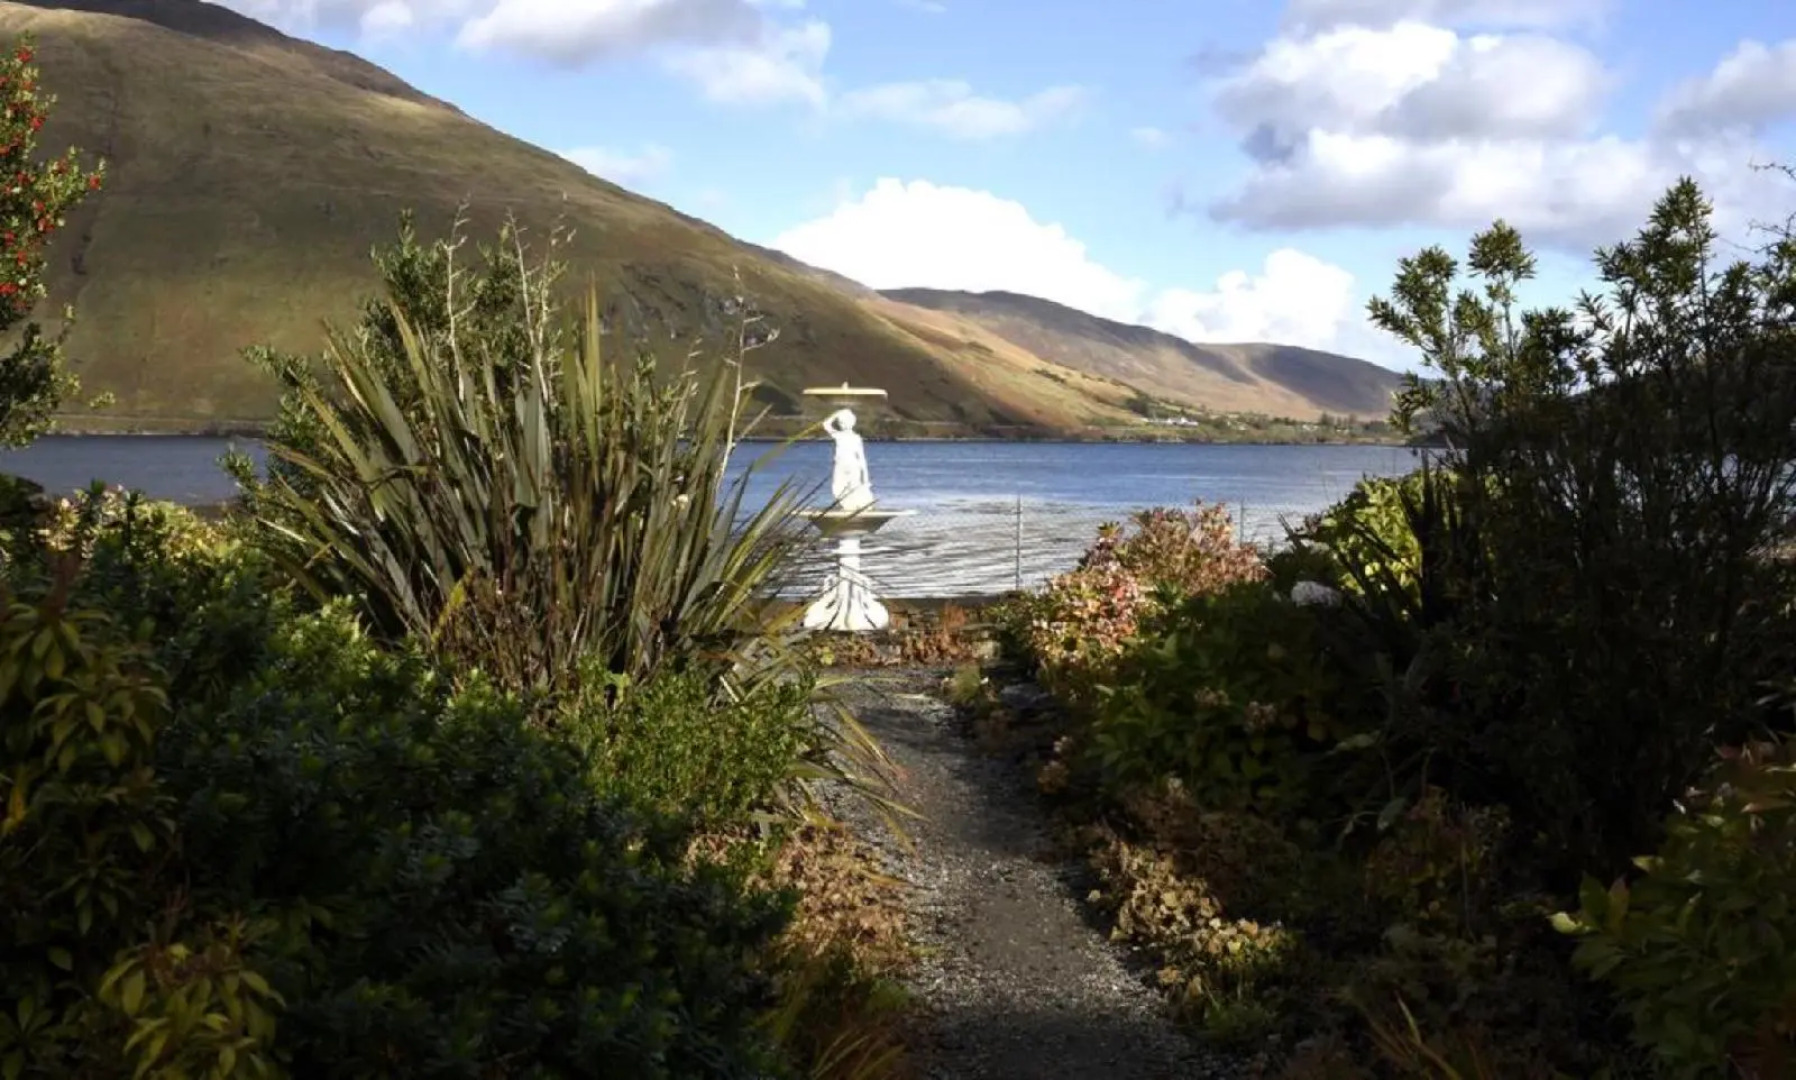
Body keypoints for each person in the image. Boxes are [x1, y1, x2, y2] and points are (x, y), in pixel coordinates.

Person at [823, 407, 875, 511]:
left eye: (844, 422)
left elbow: (861, 458)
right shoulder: (838, 435)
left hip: (853, 465)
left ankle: (861, 505)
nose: (842, 424)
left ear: (851, 423)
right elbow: (826, 424)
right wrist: (837, 413)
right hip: (840, 465)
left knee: (855, 487)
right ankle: (848, 506)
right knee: (837, 487)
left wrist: (865, 476)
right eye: (840, 422)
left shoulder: (856, 438)